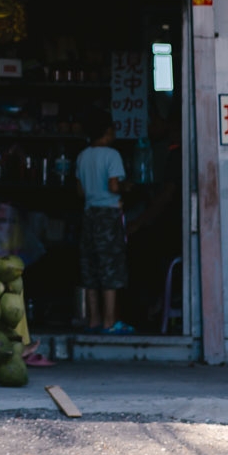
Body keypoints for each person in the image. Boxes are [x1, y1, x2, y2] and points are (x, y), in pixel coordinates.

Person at [76, 124, 131, 334]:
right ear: (106, 132)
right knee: (111, 267)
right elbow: (114, 186)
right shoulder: (112, 155)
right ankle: (109, 322)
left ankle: (94, 320)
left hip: (89, 214)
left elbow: (79, 191)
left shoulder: (82, 156)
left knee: (90, 268)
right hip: (108, 214)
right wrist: (127, 187)